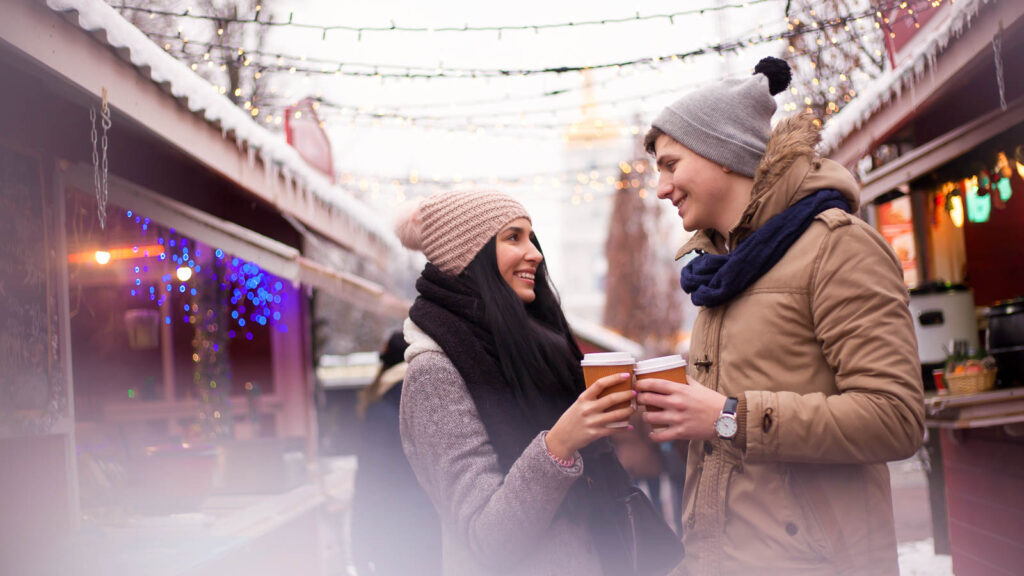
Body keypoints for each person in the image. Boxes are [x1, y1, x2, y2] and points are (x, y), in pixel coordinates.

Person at [635, 57, 925, 576]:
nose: (660, 188)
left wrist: (729, 416)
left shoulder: (838, 248)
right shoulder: (720, 275)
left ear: (723, 154)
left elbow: (895, 418)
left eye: (671, 165)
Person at [394, 191, 682, 576]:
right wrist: (561, 443)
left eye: (531, 237)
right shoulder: (434, 373)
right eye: (513, 237)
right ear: (468, 256)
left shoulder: (534, 347)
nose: (534, 253)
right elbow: (486, 539)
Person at [351, 331, 441, 576]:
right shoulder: (438, 395)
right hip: (436, 532)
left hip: (393, 532)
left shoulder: (381, 409)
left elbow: (369, 481)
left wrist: (359, 543)